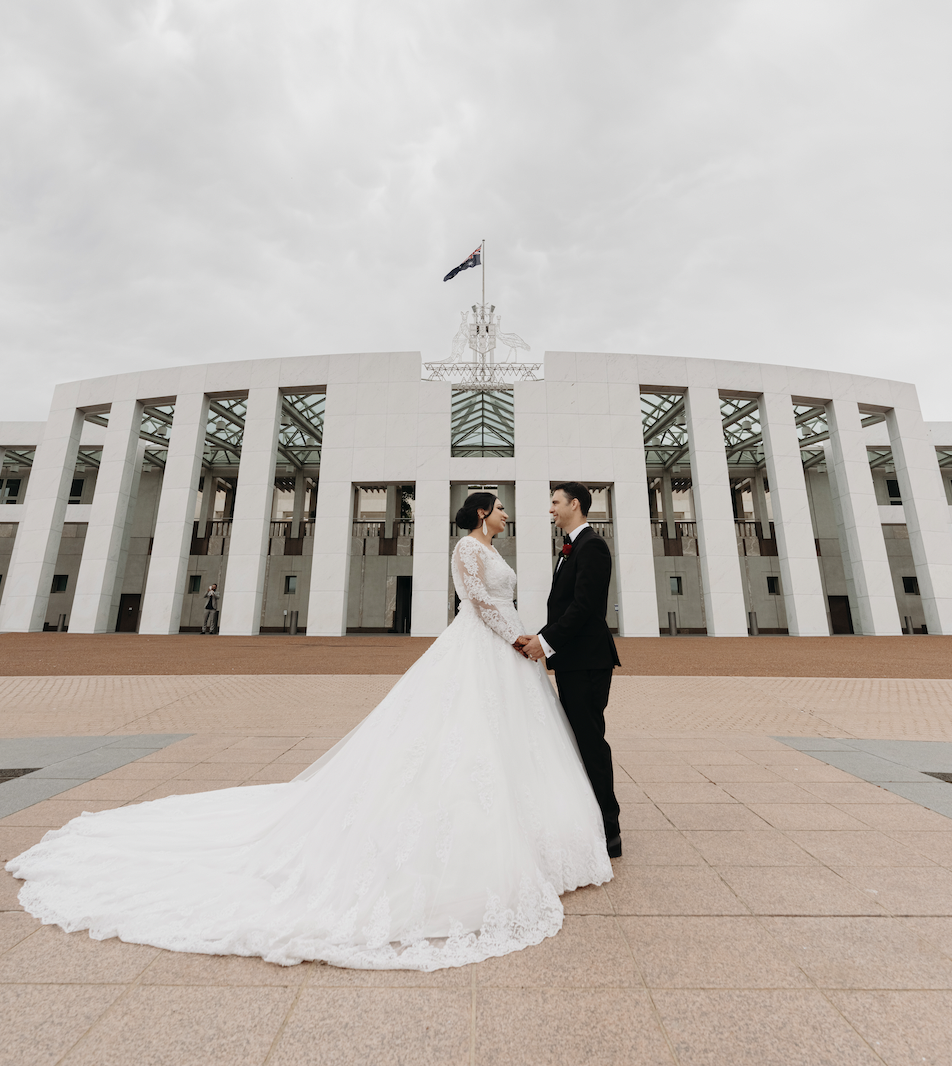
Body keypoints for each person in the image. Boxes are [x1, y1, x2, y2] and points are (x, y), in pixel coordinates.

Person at [7, 492, 611, 971]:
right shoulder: (465, 549)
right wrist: (518, 639)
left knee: (507, 745)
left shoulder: (501, 547)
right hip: (489, 649)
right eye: (500, 506)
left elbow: (504, 602)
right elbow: (479, 603)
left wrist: (529, 638)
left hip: (513, 652)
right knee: (460, 740)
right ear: (484, 513)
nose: (509, 513)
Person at [517, 483, 622, 858]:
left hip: (588, 662)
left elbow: (583, 607)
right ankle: (593, 819)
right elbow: (566, 609)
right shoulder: (572, 547)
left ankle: (609, 829)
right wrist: (542, 635)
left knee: (591, 741)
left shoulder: (591, 546)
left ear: (575, 505)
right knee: (581, 738)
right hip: (574, 660)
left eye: (555, 502)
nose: (551, 509)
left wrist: (544, 644)